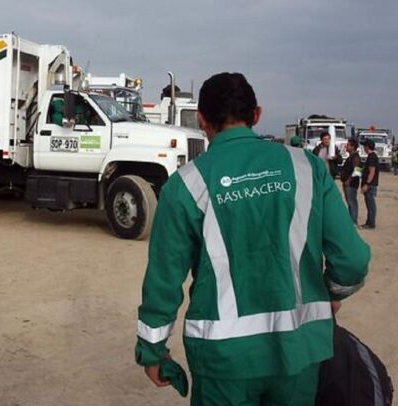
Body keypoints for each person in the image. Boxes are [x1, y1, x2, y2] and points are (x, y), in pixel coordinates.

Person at [135, 72, 370, 406]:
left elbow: (164, 279)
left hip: (223, 360)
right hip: (298, 351)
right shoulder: (309, 169)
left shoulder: (185, 186)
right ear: (257, 115)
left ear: (203, 120)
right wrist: (330, 292)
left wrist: (152, 350)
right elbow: (353, 260)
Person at [340, 138, 361, 225]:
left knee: (352, 202)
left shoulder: (355, 157)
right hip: (347, 183)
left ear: (353, 147)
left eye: (348, 145)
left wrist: (349, 180)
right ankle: (351, 219)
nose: (346, 146)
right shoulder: (350, 157)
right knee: (349, 202)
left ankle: (353, 221)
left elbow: (358, 171)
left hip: (351, 184)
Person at [360, 139, 379, 229]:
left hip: (370, 185)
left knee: (371, 204)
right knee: (369, 204)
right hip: (370, 184)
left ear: (367, 147)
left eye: (364, 146)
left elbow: (372, 172)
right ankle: (369, 222)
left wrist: (367, 184)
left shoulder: (372, 157)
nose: (363, 147)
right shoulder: (371, 156)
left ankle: (371, 223)